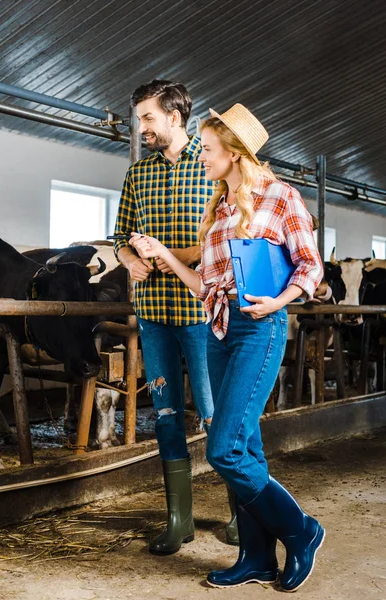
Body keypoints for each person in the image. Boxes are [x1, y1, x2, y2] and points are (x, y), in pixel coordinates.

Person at [130, 103, 325, 592]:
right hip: (219, 330)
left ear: (235, 154)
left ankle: (302, 531)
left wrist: (278, 300)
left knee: (224, 449)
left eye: (210, 151)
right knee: (248, 446)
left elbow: (310, 265)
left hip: (260, 328)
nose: (202, 158)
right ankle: (256, 557)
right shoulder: (219, 211)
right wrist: (165, 256)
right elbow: (204, 286)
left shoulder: (281, 198)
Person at [113, 80, 238, 555]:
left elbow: (224, 237)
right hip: (153, 314)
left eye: (147, 117)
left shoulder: (210, 165)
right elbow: (121, 234)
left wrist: (170, 255)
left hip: (204, 310)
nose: (140, 126)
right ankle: (178, 519)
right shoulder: (137, 175)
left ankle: (240, 515)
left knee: (215, 414)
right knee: (165, 415)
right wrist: (130, 260)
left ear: (174, 117)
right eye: (138, 117)